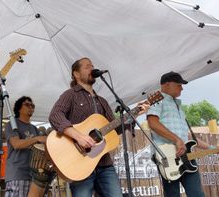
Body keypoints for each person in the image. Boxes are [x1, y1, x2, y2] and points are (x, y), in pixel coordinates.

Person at [48, 57, 149, 197]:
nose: (92, 68)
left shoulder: (102, 101)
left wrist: (135, 114)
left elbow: (113, 129)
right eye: (87, 66)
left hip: (104, 164)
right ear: (76, 74)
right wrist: (79, 137)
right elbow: (55, 116)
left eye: (92, 66)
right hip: (79, 163)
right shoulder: (70, 95)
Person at [147, 71, 219, 197]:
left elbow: (188, 137)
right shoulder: (158, 99)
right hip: (168, 157)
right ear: (167, 84)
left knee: (197, 194)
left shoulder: (179, 107)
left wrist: (212, 149)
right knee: (173, 194)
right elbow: (153, 123)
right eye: (178, 84)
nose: (182, 88)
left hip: (187, 156)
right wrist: (177, 140)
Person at [4, 96, 47, 197]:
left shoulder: (34, 129)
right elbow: (16, 144)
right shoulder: (12, 124)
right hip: (18, 174)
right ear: (19, 108)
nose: (31, 107)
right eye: (27, 105)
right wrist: (36, 139)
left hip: (34, 176)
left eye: (33, 105)